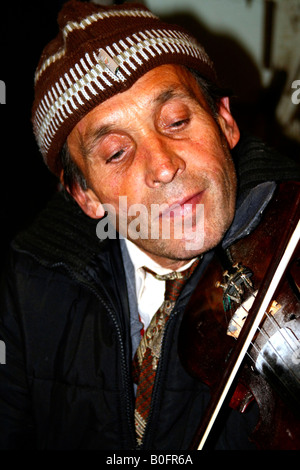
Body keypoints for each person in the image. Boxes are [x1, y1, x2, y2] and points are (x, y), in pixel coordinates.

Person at [0, 0, 299, 451]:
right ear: (85, 196)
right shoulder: (31, 283)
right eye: (117, 152)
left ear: (225, 121)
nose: (162, 166)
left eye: (177, 121)